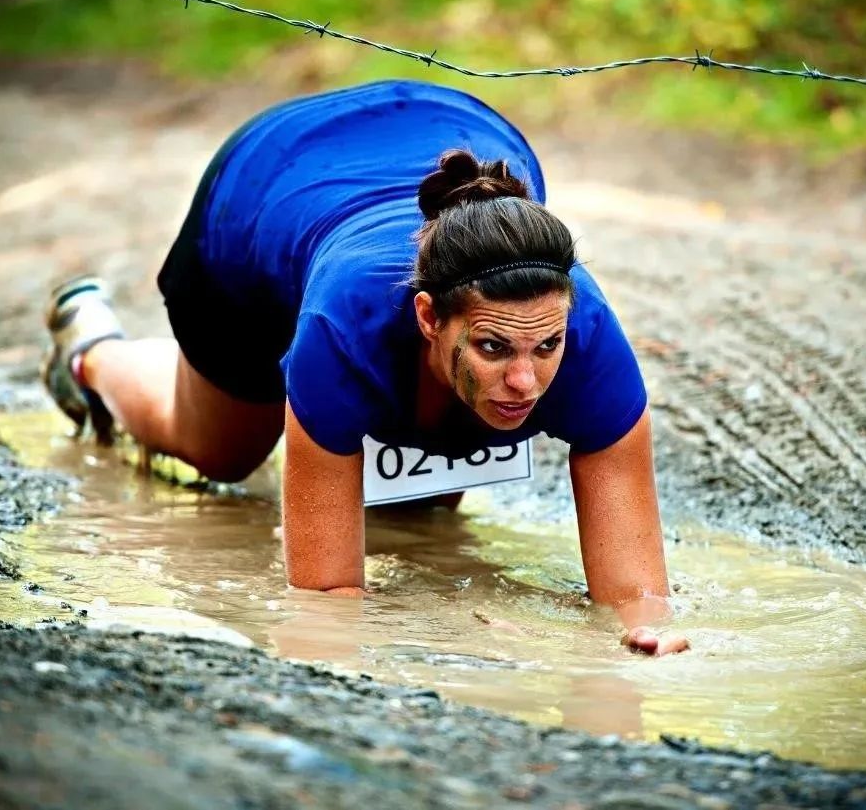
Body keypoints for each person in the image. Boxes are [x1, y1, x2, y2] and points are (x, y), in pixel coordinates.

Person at [40, 79, 688, 657]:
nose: (526, 380)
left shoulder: (588, 334)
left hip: (450, 126)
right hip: (267, 177)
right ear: (429, 317)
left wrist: (638, 634)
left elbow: (636, 597)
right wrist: (457, 630)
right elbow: (326, 602)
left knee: (426, 504)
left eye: (546, 347)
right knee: (221, 451)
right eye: (494, 347)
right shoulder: (342, 327)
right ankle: (92, 350)